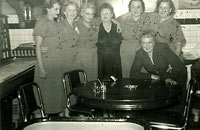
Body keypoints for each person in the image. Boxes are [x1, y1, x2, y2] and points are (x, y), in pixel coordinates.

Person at [33, 0, 64, 116]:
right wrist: (41, 68)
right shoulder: (41, 22)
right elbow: (38, 47)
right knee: (44, 96)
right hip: (46, 63)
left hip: (56, 63)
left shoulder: (55, 22)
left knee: (55, 97)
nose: (58, 11)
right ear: (48, 9)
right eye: (56, 9)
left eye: (59, 9)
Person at [117, 0, 151, 78]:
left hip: (142, 53)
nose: (135, 10)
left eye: (138, 7)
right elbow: (110, 20)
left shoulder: (148, 20)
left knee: (142, 77)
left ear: (142, 9)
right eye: (133, 7)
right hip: (125, 54)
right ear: (129, 8)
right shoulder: (122, 19)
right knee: (127, 78)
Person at [97, 3, 123, 80]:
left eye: (107, 13)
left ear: (112, 14)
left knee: (116, 85)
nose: (105, 15)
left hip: (115, 61)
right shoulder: (96, 26)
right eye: (103, 13)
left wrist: (117, 22)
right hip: (101, 62)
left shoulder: (118, 26)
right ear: (100, 15)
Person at [75, 3, 99, 81]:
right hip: (81, 55)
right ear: (82, 13)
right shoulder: (76, 24)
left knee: (93, 79)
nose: (90, 16)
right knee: (83, 79)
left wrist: (117, 23)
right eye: (87, 13)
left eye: (92, 14)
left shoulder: (96, 22)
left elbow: (109, 18)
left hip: (93, 55)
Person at [58, 1, 80, 74]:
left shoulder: (76, 24)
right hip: (64, 59)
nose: (72, 12)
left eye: (74, 10)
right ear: (64, 12)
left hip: (75, 59)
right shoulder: (60, 25)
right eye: (69, 10)